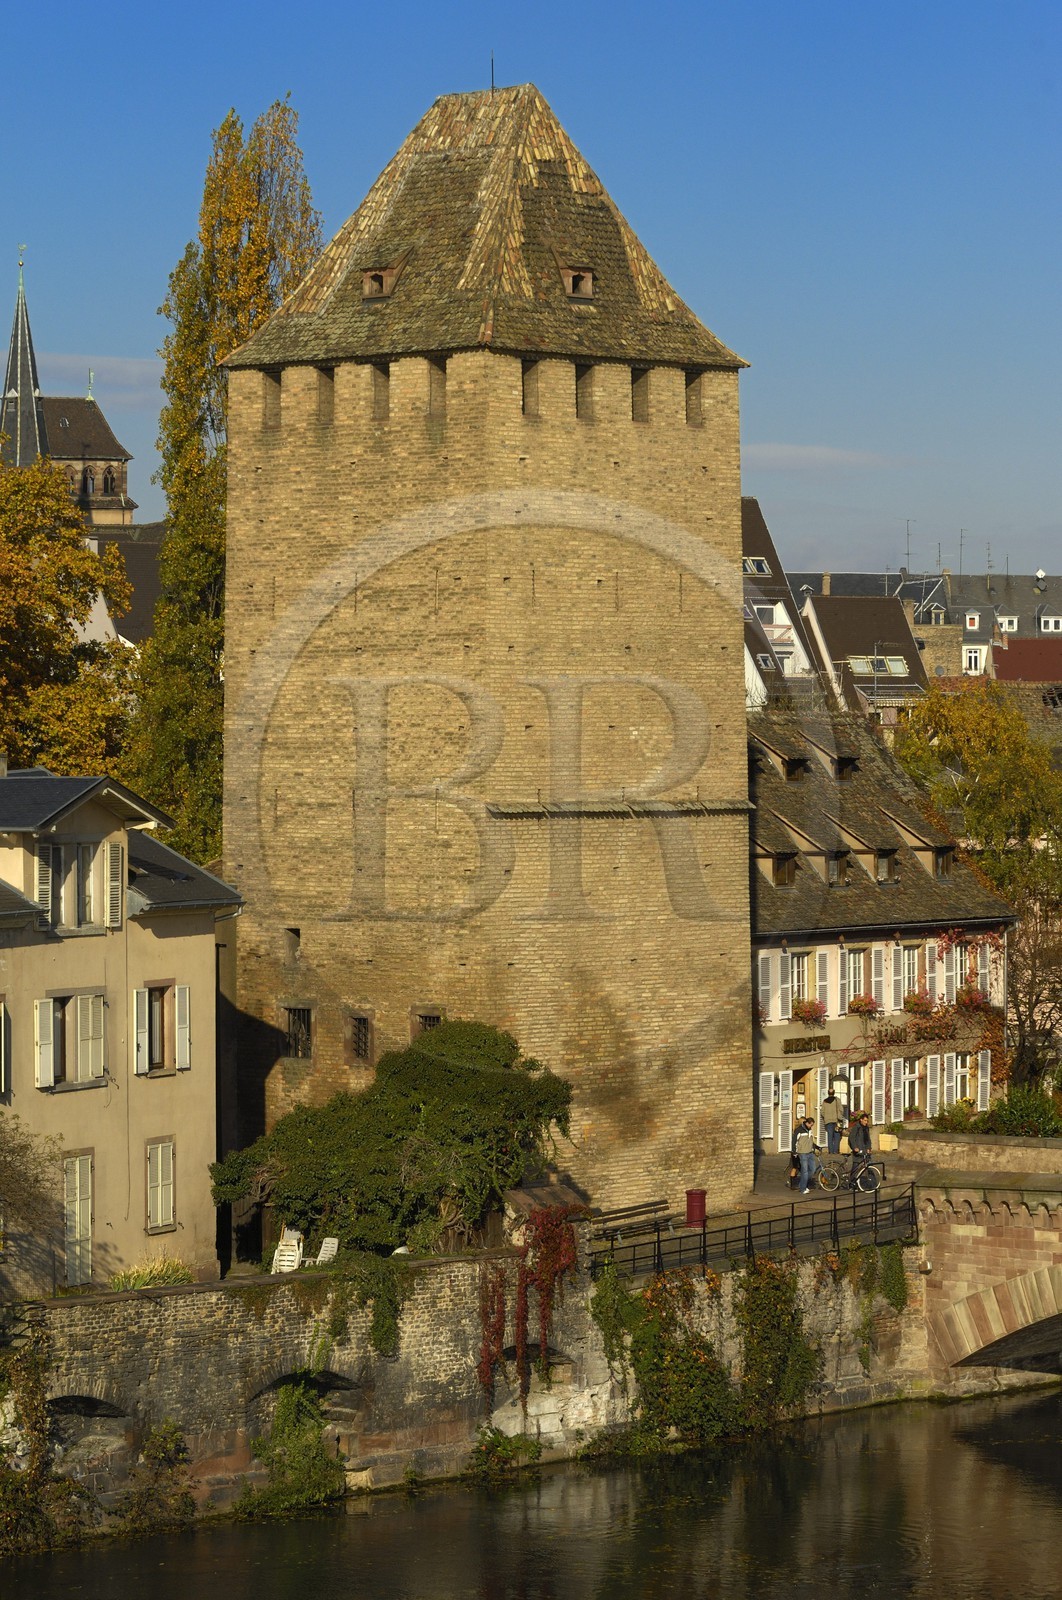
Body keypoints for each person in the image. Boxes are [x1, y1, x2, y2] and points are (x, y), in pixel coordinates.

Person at [792, 1117, 819, 1195]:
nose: (812, 1126)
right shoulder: (799, 1130)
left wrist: (816, 1147)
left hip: (810, 1152)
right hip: (802, 1152)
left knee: (813, 1169)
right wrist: (794, 1152)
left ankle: (801, 1184)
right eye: (811, 1125)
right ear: (807, 1123)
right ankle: (803, 1189)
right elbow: (794, 1141)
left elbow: (811, 1141)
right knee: (805, 1171)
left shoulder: (810, 1130)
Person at [848, 1111, 873, 1179]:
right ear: (861, 1120)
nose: (866, 1122)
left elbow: (868, 1139)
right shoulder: (856, 1127)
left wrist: (869, 1148)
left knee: (869, 1166)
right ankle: (851, 1182)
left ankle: (872, 1182)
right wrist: (855, 1147)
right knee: (855, 1167)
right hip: (858, 1151)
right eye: (865, 1120)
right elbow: (851, 1138)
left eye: (867, 1121)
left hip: (865, 1150)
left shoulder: (866, 1128)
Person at [821, 1090, 844, 1155]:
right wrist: (840, 1117)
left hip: (828, 1121)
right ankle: (836, 1151)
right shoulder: (837, 1100)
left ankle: (830, 1151)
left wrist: (826, 1117)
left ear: (828, 1093)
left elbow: (822, 1111)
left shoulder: (825, 1101)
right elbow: (841, 1110)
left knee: (830, 1137)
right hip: (836, 1121)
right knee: (837, 1136)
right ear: (834, 1093)